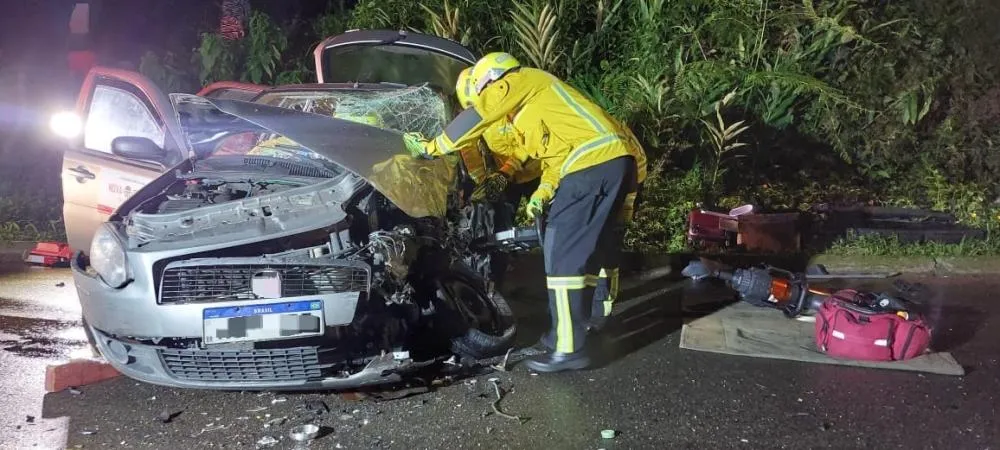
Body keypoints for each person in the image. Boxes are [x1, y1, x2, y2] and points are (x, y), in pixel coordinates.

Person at [404, 53, 647, 372]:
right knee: (582, 254)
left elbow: (478, 116)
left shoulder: (519, 81)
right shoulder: (537, 106)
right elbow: (554, 160)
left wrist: (430, 148)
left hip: (593, 165)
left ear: (489, 81)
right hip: (600, 164)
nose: (481, 101)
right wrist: (542, 194)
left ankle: (568, 350)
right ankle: (571, 331)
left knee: (562, 255)